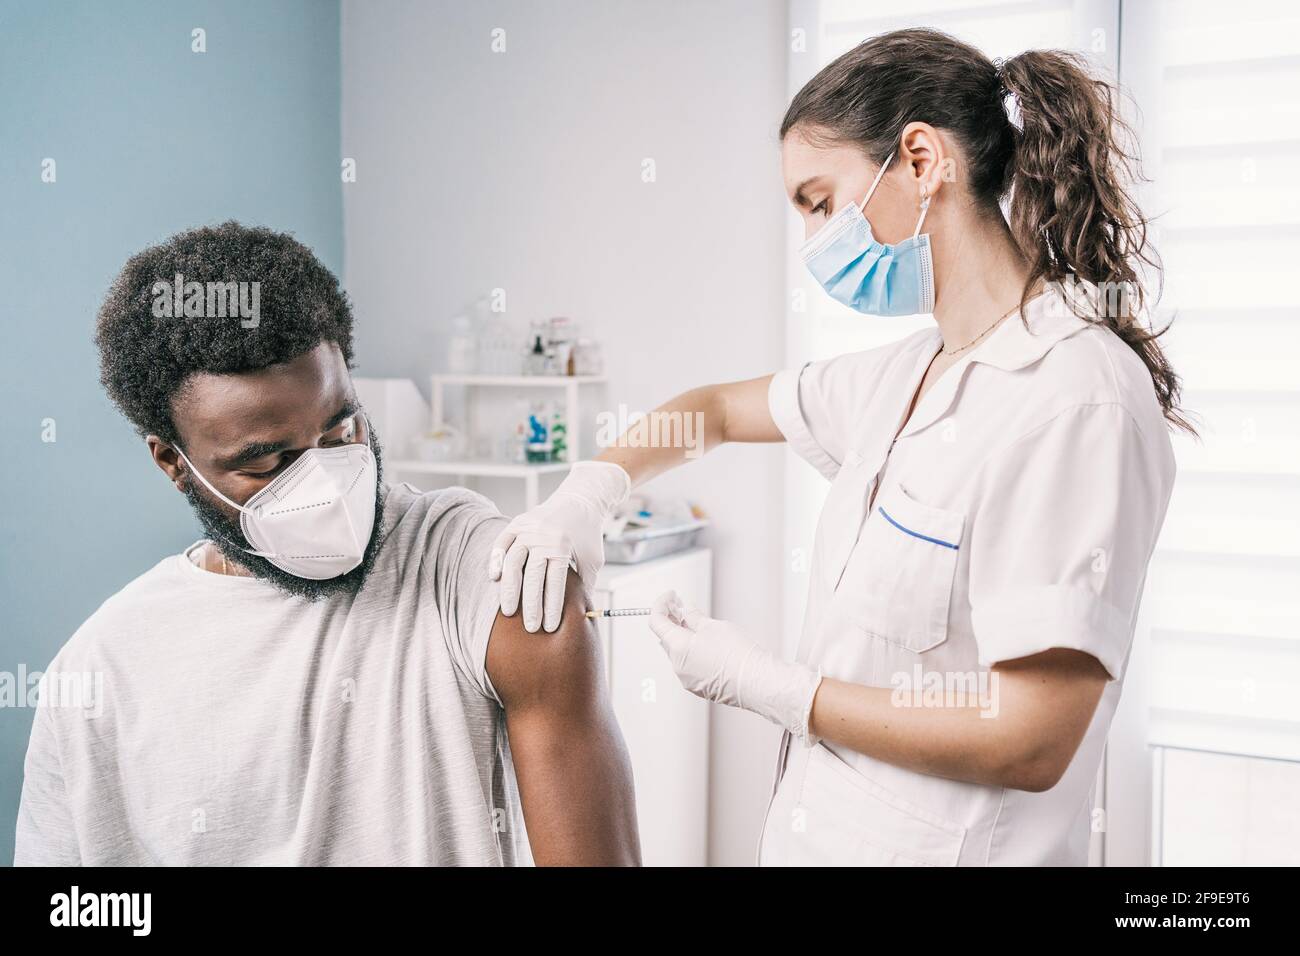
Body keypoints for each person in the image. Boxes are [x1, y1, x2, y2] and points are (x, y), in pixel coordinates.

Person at [489, 29, 1187, 866]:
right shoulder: (907, 375)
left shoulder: (1073, 398)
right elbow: (708, 411)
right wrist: (587, 496)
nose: (815, 241)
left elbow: (1033, 739)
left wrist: (775, 689)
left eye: (819, 202)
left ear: (922, 162)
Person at [14, 222, 639, 866]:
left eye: (342, 433)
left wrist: (591, 492)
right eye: (266, 465)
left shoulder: (477, 575)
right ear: (174, 463)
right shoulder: (99, 671)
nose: (327, 485)